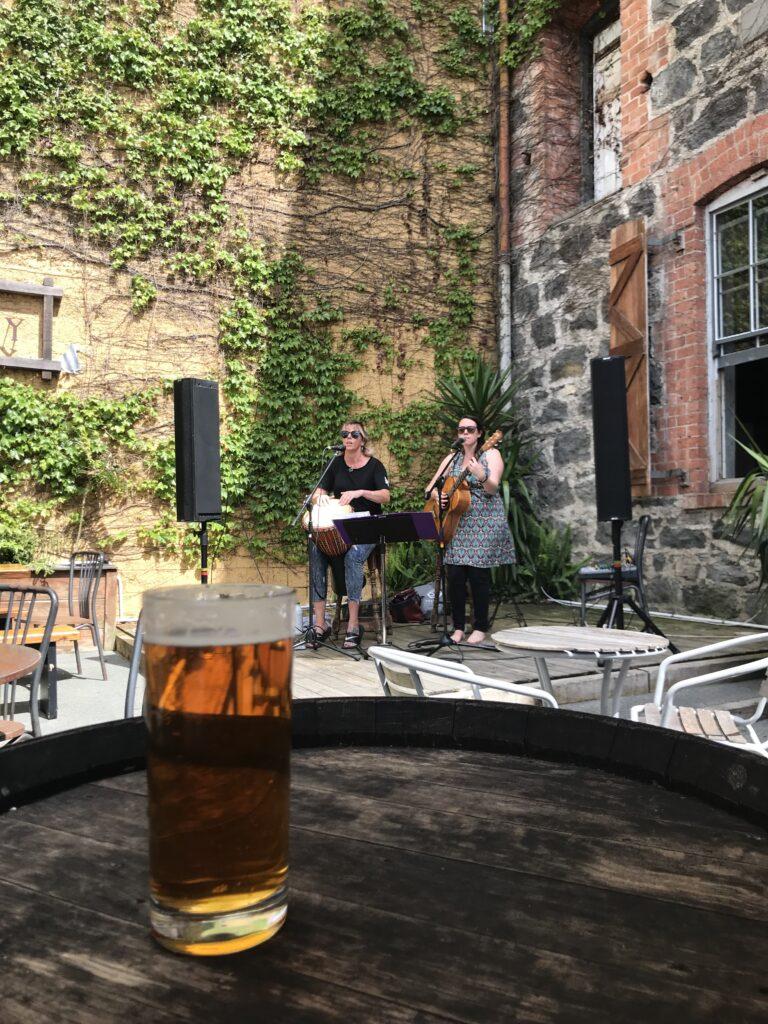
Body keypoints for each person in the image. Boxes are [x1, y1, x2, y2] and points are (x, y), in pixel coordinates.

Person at [425, 415, 515, 645]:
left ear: (480, 434)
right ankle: (457, 627)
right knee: (454, 574)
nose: (464, 434)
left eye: (470, 430)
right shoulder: (452, 457)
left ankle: (480, 626)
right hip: (457, 522)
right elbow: (430, 489)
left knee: (477, 574)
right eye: (461, 430)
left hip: (485, 521)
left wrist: (481, 474)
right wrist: (439, 496)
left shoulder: (490, 453)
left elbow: (493, 487)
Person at [310, 421, 390, 648]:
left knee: (352, 556)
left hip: (368, 526)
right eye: (345, 434)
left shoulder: (375, 466)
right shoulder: (334, 463)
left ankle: (353, 624)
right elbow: (318, 492)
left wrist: (361, 492)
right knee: (316, 551)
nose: (349, 437)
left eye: (355, 434)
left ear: (362, 440)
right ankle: (319, 624)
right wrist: (320, 498)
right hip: (340, 526)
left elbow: (385, 496)